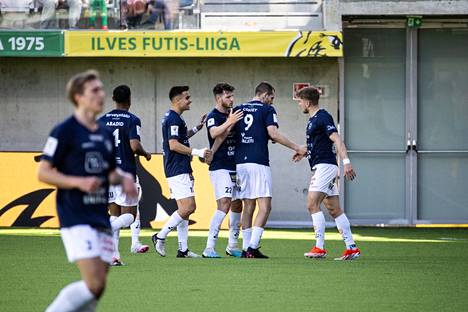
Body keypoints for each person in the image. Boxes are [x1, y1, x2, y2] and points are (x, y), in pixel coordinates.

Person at [38, 70, 137, 311]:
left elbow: (108, 172)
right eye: (94, 90)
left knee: (98, 286)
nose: (101, 94)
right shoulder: (64, 131)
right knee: (93, 283)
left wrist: (122, 178)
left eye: (102, 89)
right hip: (76, 214)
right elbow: (44, 172)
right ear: (78, 96)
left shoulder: (103, 133)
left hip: (99, 215)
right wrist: (78, 183)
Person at [234, 82, 305, 258]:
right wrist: (296, 147)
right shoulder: (267, 110)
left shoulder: (238, 108)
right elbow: (273, 133)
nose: (272, 101)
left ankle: (245, 248)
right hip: (258, 162)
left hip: (240, 163)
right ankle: (253, 247)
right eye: (272, 97)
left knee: (248, 205)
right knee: (265, 206)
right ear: (264, 95)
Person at [293, 86, 361, 260]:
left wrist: (346, 163)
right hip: (323, 166)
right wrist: (305, 151)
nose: (299, 104)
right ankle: (351, 247)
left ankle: (319, 247)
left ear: (307, 102)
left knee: (311, 203)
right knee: (334, 209)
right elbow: (319, 143)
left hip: (325, 166)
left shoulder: (323, 117)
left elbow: (336, 139)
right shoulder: (313, 120)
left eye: (300, 101)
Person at [151, 86, 212, 258]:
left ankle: (183, 249)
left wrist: (197, 128)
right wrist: (198, 152)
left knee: (183, 210)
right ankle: (160, 235)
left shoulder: (174, 118)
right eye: (187, 97)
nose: (190, 100)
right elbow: (174, 145)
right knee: (189, 207)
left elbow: (180, 137)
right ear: (177, 100)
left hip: (178, 167)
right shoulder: (173, 119)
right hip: (177, 168)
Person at [99, 85, 152, 266]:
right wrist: (145, 153)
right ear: (129, 99)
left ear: (113, 98)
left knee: (114, 213)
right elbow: (134, 145)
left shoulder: (102, 120)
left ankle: (113, 256)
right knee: (130, 215)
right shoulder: (132, 119)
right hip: (125, 173)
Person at [202, 83, 244, 258]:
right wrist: (230, 121)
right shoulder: (213, 116)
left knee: (237, 204)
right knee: (224, 204)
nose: (232, 99)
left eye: (232, 96)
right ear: (219, 97)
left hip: (236, 165)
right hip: (220, 166)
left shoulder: (232, 114)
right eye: (228, 96)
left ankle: (232, 245)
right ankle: (209, 247)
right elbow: (214, 133)